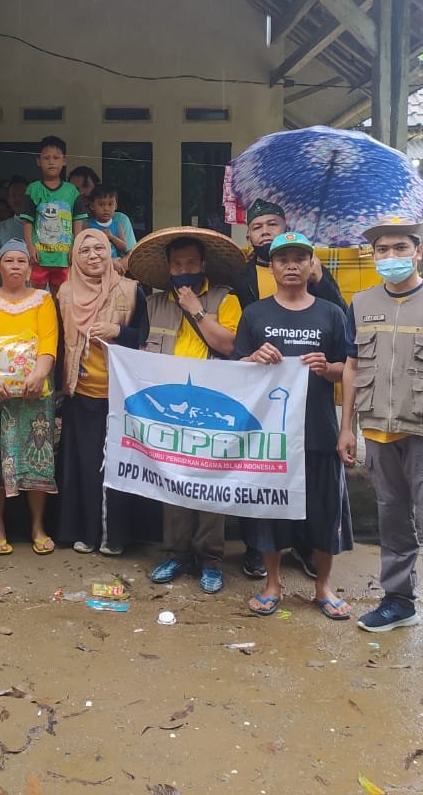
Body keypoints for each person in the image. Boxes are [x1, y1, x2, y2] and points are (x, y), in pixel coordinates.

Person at [336, 216, 423, 655]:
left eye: (400, 248)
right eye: (383, 250)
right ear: (373, 255)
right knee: (391, 523)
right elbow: (354, 367)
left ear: (418, 250)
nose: (391, 257)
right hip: (378, 431)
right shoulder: (359, 303)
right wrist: (347, 427)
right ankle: (398, 602)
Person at [235, 233, 353, 619]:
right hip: (270, 434)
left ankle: (323, 587)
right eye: (282, 258)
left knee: (323, 512)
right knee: (270, 513)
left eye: (299, 258)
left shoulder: (332, 313)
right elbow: (236, 372)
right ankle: (273, 584)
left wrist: (328, 368)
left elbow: (348, 371)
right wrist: (253, 357)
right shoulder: (255, 314)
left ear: (310, 265)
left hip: (317, 429)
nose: (290, 265)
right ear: (271, 267)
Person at [135, 228, 244, 594]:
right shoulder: (153, 303)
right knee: (173, 481)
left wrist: (196, 311)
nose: (184, 269)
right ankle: (176, 553)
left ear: (203, 265)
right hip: (169, 407)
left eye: (191, 263)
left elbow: (229, 345)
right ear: (168, 267)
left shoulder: (225, 299)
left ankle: (210, 560)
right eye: (177, 264)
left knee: (211, 484)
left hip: (212, 405)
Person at [56, 229, 149, 555]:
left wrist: (118, 331)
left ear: (111, 252)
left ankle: (116, 537)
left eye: (100, 248)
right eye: (85, 251)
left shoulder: (132, 290)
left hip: (122, 395)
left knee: (120, 466)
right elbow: (58, 343)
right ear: (75, 258)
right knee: (85, 465)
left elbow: (147, 338)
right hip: (81, 393)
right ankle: (86, 532)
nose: (93, 255)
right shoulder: (65, 293)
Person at [0, 239, 59, 555]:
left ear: (30, 268)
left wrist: (39, 374)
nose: (15, 266)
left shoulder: (43, 300)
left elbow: (49, 340)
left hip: (35, 392)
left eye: (21, 261)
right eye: (9, 261)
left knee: (37, 456)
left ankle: (37, 526)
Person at [19, 136, 87, 294]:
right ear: (38, 161)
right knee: (37, 296)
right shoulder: (33, 189)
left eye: (56, 158)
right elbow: (27, 221)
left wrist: (75, 247)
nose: (51, 162)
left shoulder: (71, 191)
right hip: (40, 256)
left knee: (62, 296)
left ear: (64, 161)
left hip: (64, 256)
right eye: (46, 158)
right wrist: (30, 246)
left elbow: (78, 221)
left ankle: (59, 320)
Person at [0, 176, 29, 289]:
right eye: (14, 196)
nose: (18, 200)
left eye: (22, 195)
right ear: (9, 201)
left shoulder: (43, 227)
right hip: (8, 296)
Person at [84, 184, 137, 264]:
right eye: (101, 204)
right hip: (94, 265)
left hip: (115, 266)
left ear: (116, 205)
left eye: (110, 204)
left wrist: (112, 237)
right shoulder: (87, 225)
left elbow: (124, 247)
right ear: (92, 206)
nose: (106, 209)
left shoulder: (117, 225)